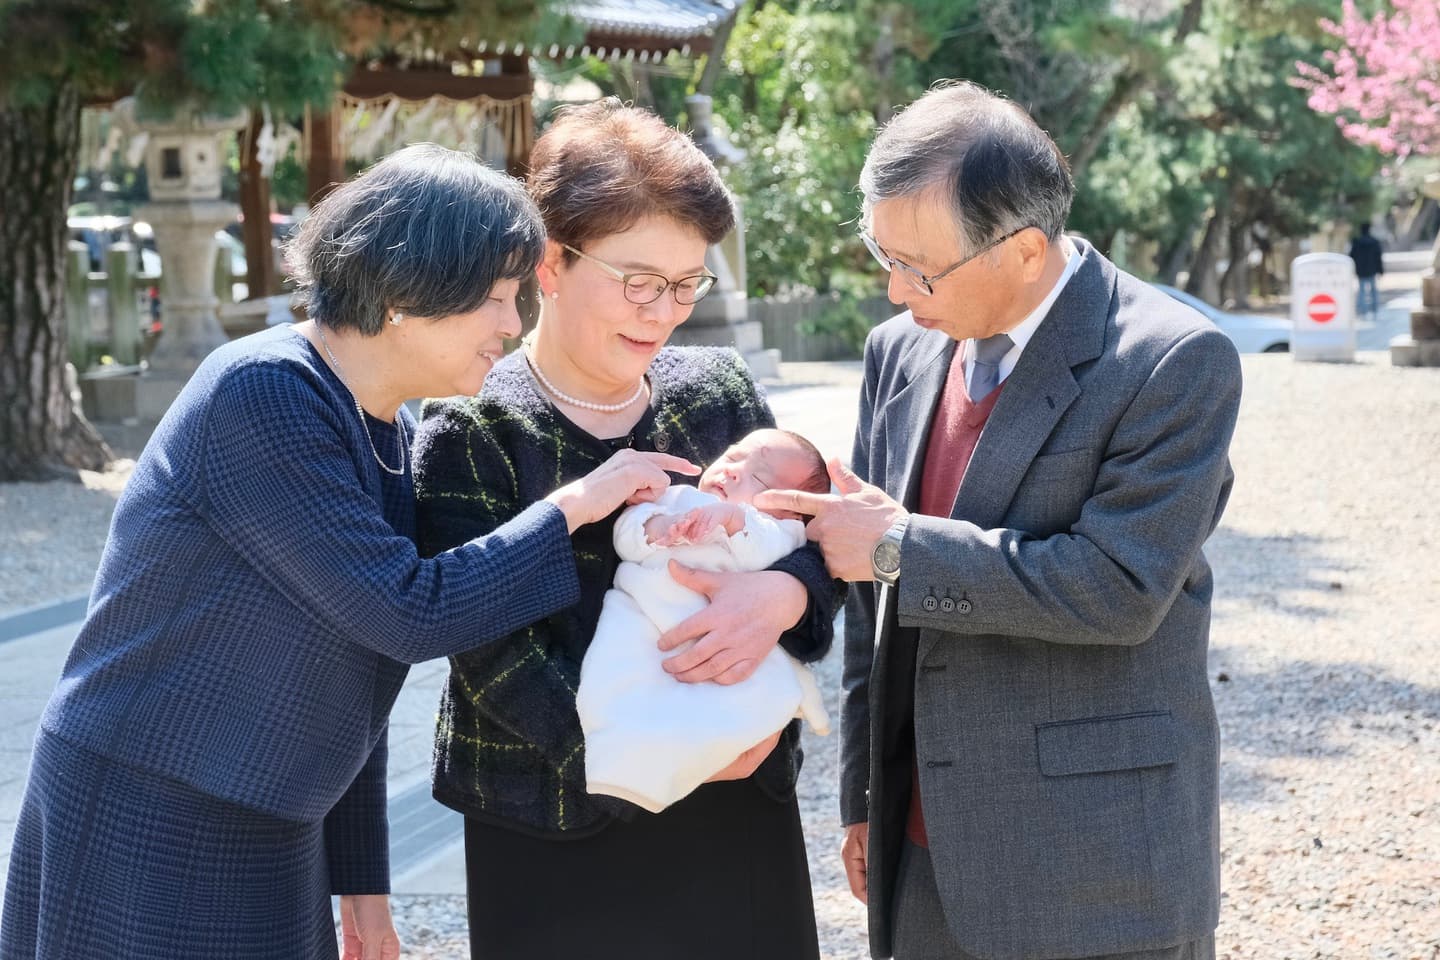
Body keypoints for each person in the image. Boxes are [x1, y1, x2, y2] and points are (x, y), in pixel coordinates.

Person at [0, 144, 694, 960]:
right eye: (498, 298)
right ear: (408, 292)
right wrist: (576, 505)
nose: (512, 324)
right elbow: (406, 610)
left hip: (270, 814)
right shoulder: (262, 391)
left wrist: (361, 885)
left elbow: (358, 664)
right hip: (153, 803)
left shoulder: (386, 422)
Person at [756, 81, 1242, 960]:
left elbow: (1118, 588)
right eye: (881, 251)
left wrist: (901, 547)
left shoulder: (1170, 359)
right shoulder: (898, 352)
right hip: (921, 846)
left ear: (1023, 251)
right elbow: (874, 605)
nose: (896, 289)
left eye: (920, 268)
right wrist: (866, 796)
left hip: (1095, 865)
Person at [412, 100, 838, 960]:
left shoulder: (716, 392)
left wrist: (787, 593)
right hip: (559, 818)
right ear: (551, 263)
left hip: (739, 803)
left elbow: (818, 539)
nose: (663, 311)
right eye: (639, 281)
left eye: (686, 284)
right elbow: (486, 647)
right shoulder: (472, 425)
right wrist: (660, 752)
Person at [579, 427, 834, 814]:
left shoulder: (778, 531)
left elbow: (774, 553)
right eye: (732, 457)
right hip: (643, 616)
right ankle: (620, 762)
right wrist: (655, 528)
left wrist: (734, 520)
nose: (732, 471)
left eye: (759, 477)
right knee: (606, 679)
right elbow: (627, 533)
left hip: (728, 637)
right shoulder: (677, 498)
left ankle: (741, 729)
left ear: (790, 509)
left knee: (744, 690)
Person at [1349, 222, 1384, 320]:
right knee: (1373, 290)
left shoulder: (1357, 243)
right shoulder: (1374, 242)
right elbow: (1378, 258)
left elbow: (1351, 256)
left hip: (1361, 270)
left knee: (1362, 291)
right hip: (1372, 269)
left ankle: (1362, 310)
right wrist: (1380, 270)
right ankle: (1374, 309)